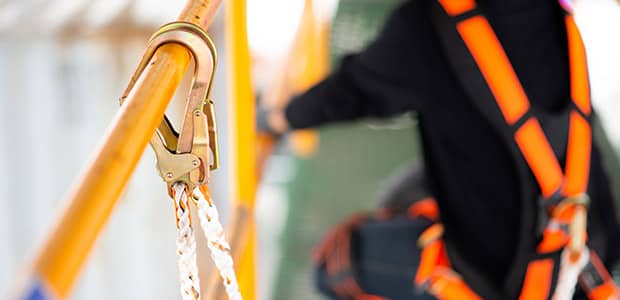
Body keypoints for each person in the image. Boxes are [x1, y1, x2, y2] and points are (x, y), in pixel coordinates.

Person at [262, 0, 620, 298]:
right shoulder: (556, 18)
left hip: (499, 278)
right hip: (585, 258)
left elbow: (352, 91)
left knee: (333, 268)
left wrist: (279, 119)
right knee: (409, 185)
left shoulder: (433, 26)